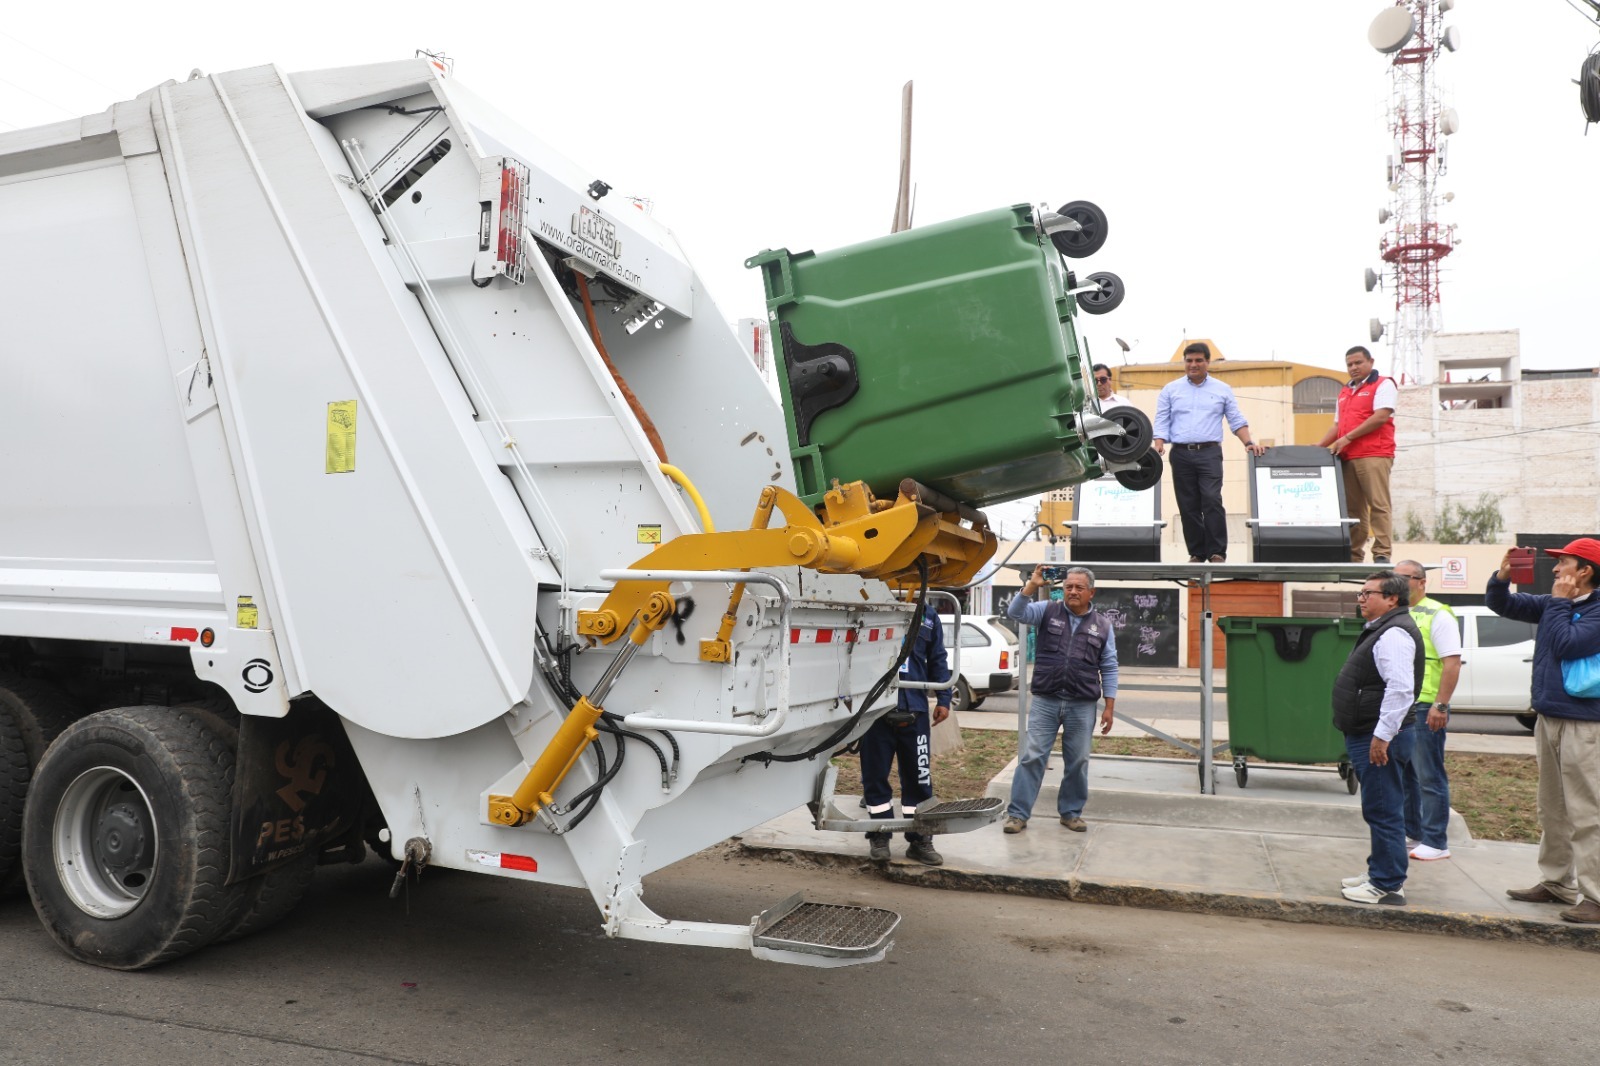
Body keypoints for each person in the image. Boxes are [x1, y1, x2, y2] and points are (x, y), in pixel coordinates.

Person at [1487, 538, 1600, 923]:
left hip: (1586, 726)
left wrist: (1558, 603)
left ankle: (1596, 897)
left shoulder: (1595, 609)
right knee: (1552, 807)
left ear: (1584, 571)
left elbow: (1567, 644)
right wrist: (1502, 578)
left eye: (1562, 562)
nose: (1554, 570)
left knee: (1588, 812)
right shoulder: (1561, 604)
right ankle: (1556, 882)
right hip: (1550, 717)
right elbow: (1503, 605)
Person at [1001, 565, 1118, 834]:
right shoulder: (1046, 610)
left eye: (1079, 587)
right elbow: (1015, 612)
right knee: (1032, 757)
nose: (1073, 591)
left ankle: (1071, 813)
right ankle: (1017, 815)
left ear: (1091, 592)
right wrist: (1032, 584)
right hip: (1046, 700)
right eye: (1068, 587)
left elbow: (1109, 666)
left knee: (1078, 761)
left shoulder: (1102, 625)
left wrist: (1109, 707)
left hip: (1082, 704)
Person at [1334, 570, 1421, 905]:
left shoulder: (1394, 634)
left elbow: (1400, 689)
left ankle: (1387, 884)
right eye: (1361, 593)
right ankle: (1380, 871)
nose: (1361, 599)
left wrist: (1382, 736)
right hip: (1373, 732)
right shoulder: (1384, 629)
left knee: (1383, 809)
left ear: (1391, 599)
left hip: (1381, 736)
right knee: (1380, 806)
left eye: (1367, 594)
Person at [1151, 342, 1266, 563]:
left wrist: (1248, 442)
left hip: (1209, 454)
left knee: (1212, 499)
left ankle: (1217, 552)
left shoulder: (1222, 389)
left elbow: (1236, 419)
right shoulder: (1170, 389)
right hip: (1181, 453)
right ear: (1184, 362)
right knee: (1188, 504)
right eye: (1189, 360)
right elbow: (1162, 419)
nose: (1193, 365)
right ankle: (1197, 553)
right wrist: (1158, 442)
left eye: (1198, 360)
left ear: (1207, 362)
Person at [861, 598, 951, 865]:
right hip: (874, 710)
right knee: (874, 777)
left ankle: (920, 839)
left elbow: (938, 657)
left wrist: (944, 699)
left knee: (919, 778)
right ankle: (880, 835)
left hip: (916, 711)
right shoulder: (873, 607)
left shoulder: (929, 616)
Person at [1395, 560, 1462, 861]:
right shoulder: (1397, 613)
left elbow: (1452, 662)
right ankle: (1415, 833)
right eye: (1393, 578)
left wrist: (1441, 704)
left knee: (1429, 775)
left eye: (1404, 578)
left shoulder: (1438, 614)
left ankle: (1436, 841)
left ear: (1422, 582)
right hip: (1402, 705)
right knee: (1407, 773)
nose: (1397, 583)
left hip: (1425, 705)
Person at [1319, 346, 1397, 565]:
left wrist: (1348, 438)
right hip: (1347, 457)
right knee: (1353, 511)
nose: (1353, 368)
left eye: (1358, 363)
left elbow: (1381, 416)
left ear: (1370, 362)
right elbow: (1338, 425)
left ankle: (1382, 553)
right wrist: (1319, 446)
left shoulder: (1383, 384)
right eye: (1349, 364)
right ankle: (1354, 555)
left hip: (1374, 454)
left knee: (1378, 504)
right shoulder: (1345, 392)